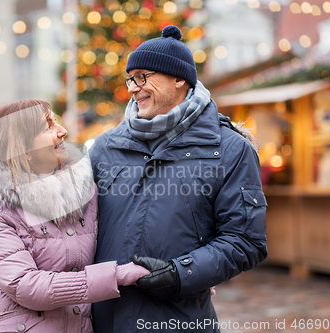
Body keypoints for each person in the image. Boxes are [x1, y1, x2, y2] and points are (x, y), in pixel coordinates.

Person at [89, 26, 267, 333]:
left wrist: (180, 273)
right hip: (105, 320)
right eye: (131, 78)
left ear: (179, 79)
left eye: (142, 76)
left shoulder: (229, 149)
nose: (133, 87)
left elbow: (246, 240)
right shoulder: (105, 147)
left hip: (178, 320)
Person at [0, 100, 150, 333]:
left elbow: (128, 229)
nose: (62, 131)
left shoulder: (85, 189)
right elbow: (26, 286)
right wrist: (118, 276)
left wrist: (179, 277)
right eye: (47, 126)